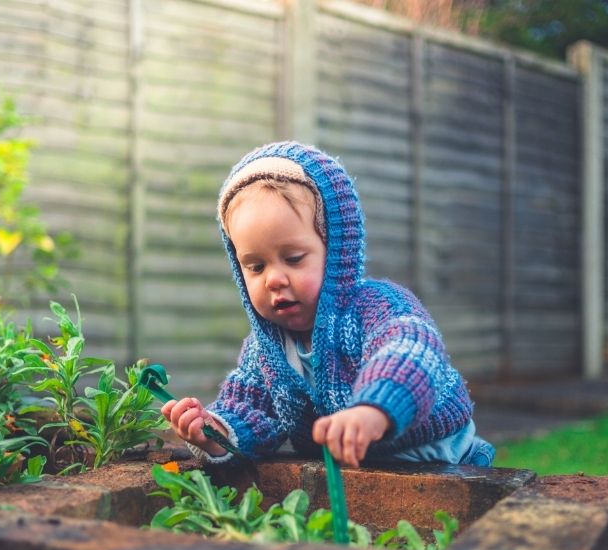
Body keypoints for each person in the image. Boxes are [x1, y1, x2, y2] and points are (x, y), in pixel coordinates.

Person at [161, 141, 494, 468]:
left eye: (293, 258)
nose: (273, 279)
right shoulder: (265, 351)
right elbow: (251, 413)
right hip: (358, 474)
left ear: (336, 252)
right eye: (256, 266)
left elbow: (411, 352)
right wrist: (215, 433)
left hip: (441, 456)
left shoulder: (375, 308)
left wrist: (372, 410)